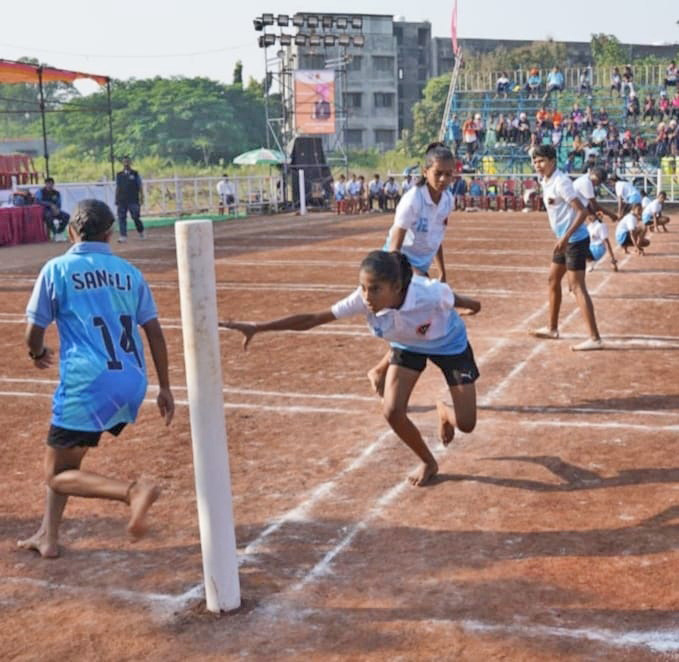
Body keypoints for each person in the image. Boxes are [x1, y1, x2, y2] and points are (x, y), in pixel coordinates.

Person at [220, 250, 480, 487]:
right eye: (363, 287)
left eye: (375, 289)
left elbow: (456, 298)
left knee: (466, 424)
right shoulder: (362, 300)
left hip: (449, 344)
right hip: (408, 345)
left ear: (397, 287)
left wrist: (475, 306)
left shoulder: (429, 294)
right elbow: (312, 319)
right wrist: (259, 327)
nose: (367, 296)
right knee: (392, 411)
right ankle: (428, 461)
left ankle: (444, 411)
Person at [18, 199, 174, 558]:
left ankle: (132, 491)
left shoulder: (57, 269)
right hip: (131, 381)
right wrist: (165, 387)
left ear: (71, 232)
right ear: (110, 233)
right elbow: (154, 332)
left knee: (56, 474)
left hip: (88, 386)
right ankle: (48, 536)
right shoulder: (130, 273)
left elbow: (33, 332)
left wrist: (37, 354)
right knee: (66, 459)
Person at [365, 142, 456, 396]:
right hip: (400, 264)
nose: (443, 179)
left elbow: (436, 237)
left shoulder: (448, 200)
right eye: (438, 173)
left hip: (421, 267)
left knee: (420, 323)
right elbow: (395, 245)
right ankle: (384, 372)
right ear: (426, 171)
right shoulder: (413, 199)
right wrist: (405, 279)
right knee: (426, 318)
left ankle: (381, 370)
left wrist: (442, 271)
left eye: (449, 174)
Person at [530, 144, 603, 351]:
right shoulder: (545, 180)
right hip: (564, 240)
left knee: (577, 287)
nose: (538, 165)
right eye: (535, 162)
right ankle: (552, 329)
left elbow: (582, 212)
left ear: (553, 161)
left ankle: (595, 338)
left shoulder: (561, 182)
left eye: (542, 161)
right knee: (553, 280)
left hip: (575, 240)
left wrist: (566, 237)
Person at [572, 166, 619, 273]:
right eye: (598, 182)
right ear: (596, 177)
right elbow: (595, 206)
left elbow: (589, 205)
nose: (597, 185)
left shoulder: (585, 179)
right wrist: (611, 214)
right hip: (572, 213)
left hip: (578, 212)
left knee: (581, 237)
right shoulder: (586, 183)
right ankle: (583, 261)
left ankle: (585, 260)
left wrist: (596, 215)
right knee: (579, 238)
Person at [115, 156, 144, 243]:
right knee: (121, 217)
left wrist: (142, 197)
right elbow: (118, 187)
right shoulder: (119, 175)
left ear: (130, 163)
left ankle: (141, 231)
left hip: (133, 199)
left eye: (127, 162)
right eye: (124, 162)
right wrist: (116, 198)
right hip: (122, 200)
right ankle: (123, 236)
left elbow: (140, 186)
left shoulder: (135, 174)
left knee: (135, 217)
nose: (126, 164)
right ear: (122, 163)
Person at [35, 177, 70, 241]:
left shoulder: (57, 193)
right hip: (44, 211)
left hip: (55, 210)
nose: (49, 185)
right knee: (48, 216)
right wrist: (49, 204)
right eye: (48, 183)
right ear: (45, 184)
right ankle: (54, 232)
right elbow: (37, 201)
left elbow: (59, 203)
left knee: (66, 216)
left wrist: (57, 209)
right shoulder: (40, 191)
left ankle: (59, 231)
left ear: (53, 184)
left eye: (51, 184)